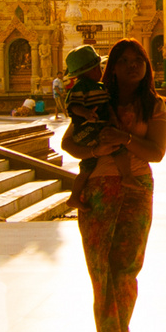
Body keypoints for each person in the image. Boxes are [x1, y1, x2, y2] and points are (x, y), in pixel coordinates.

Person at [61, 38, 166, 332]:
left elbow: (156, 153)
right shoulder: (96, 97)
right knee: (100, 271)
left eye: (138, 59)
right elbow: (69, 143)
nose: (132, 65)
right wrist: (95, 152)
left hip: (136, 186)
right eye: (123, 60)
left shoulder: (154, 105)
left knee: (125, 269)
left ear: (146, 65)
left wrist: (123, 139)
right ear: (111, 67)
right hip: (97, 188)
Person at [62, 45, 132, 209]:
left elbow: (107, 107)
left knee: (87, 167)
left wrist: (114, 118)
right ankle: (127, 176)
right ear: (87, 71)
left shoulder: (99, 88)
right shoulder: (80, 88)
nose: (100, 72)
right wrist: (86, 113)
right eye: (96, 69)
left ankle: (74, 197)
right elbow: (73, 106)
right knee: (117, 147)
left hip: (96, 127)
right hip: (87, 130)